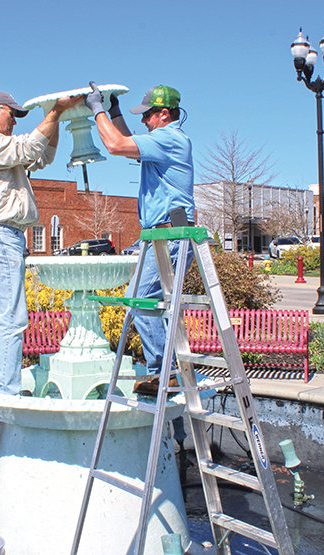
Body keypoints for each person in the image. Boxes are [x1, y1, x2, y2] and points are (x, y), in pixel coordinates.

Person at [0, 90, 81, 395]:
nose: (15, 120)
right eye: (11, 114)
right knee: (12, 318)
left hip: (6, 235)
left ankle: (1, 382)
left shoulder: (3, 148)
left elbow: (42, 156)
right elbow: (30, 147)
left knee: (9, 316)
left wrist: (55, 119)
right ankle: (5, 388)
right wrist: (54, 112)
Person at [84, 83, 194, 378]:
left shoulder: (169, 138)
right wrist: (114, 110)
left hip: (170, 236)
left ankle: (164, 373)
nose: (144, 121)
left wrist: (97, 110)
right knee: (153, 305)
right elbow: (129, 143)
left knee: (139, 300)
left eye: (148, 116)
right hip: (163, 236)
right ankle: (171, 371)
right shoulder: (164, 141)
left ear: (164, 115)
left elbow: (116, 145)